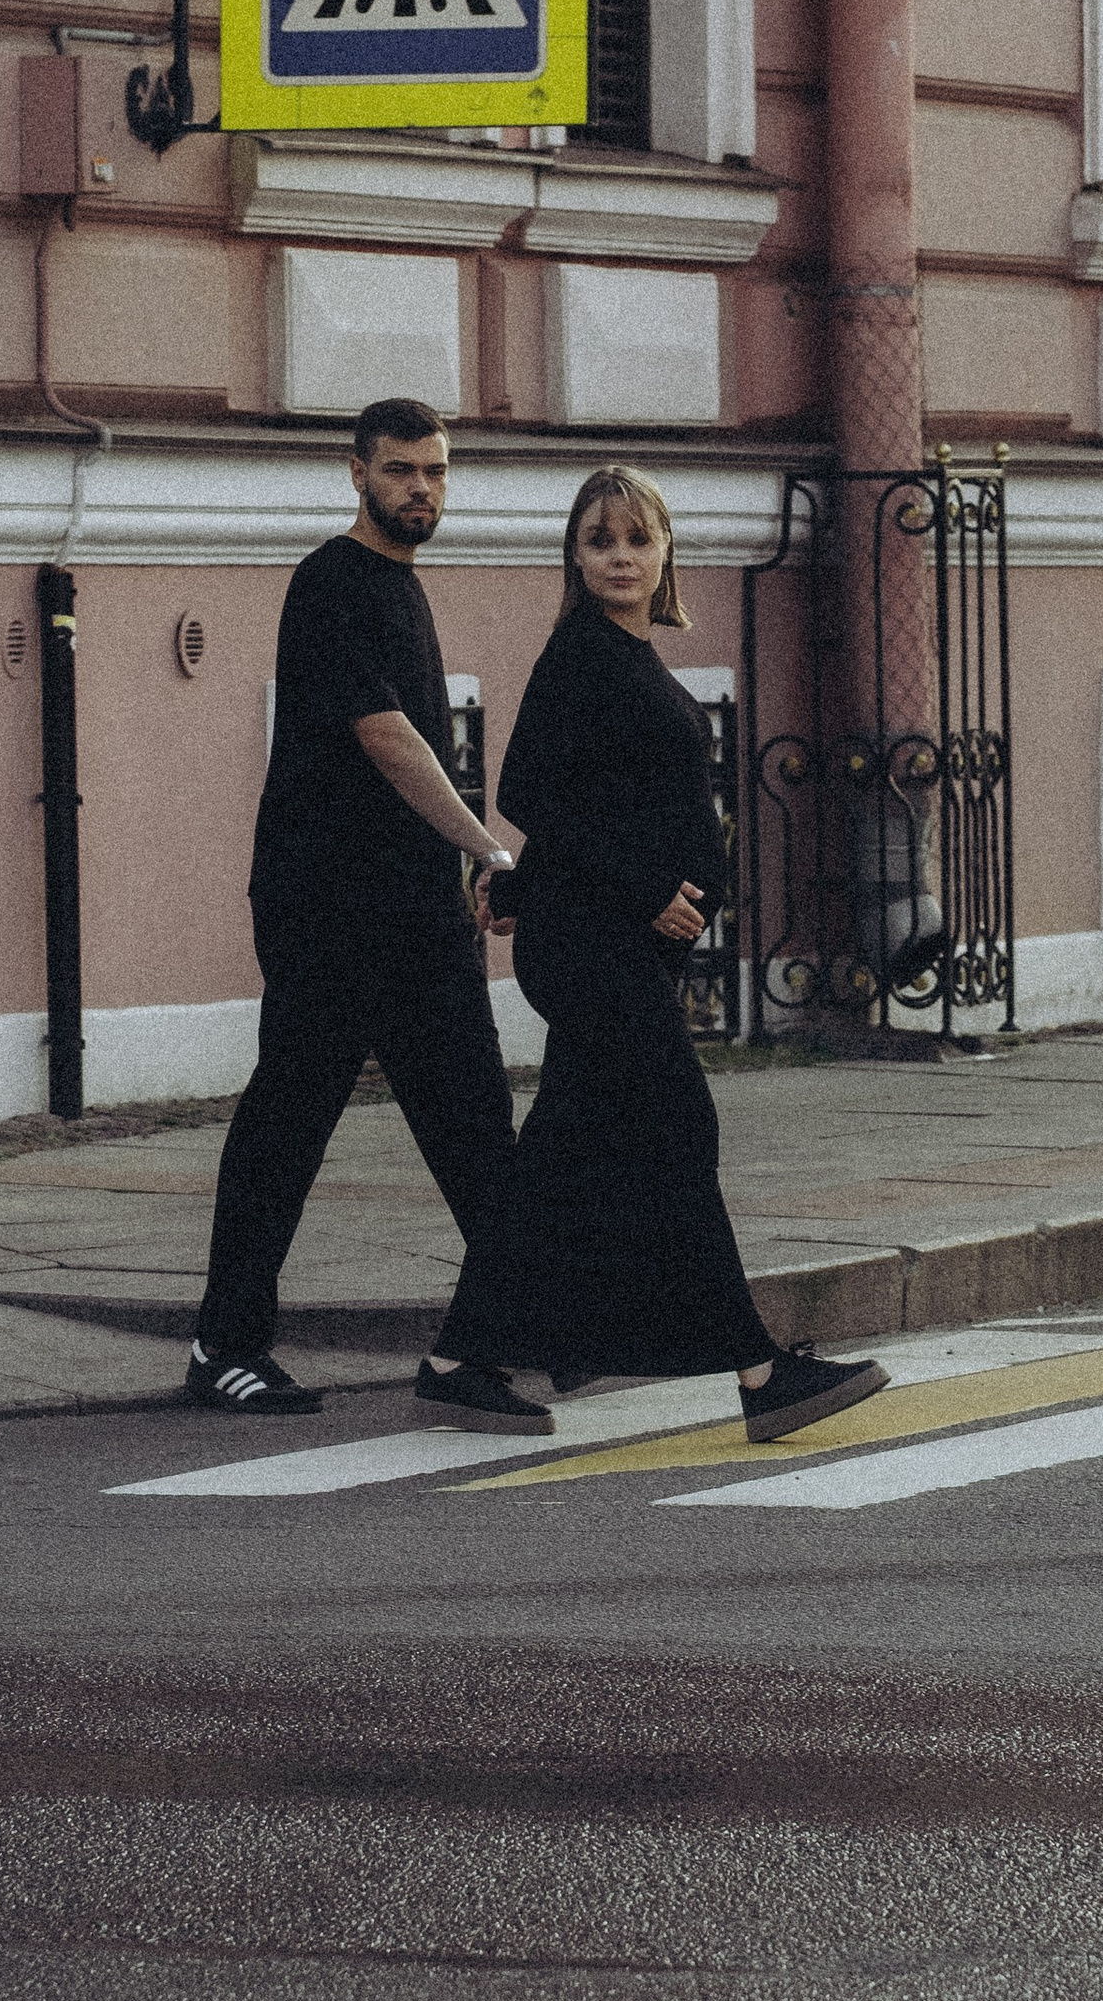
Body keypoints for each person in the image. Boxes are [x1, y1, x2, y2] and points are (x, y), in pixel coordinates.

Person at [431, 465, 892, 1445]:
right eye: (600, 540)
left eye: (637, 539)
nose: (620, 558)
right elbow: (528, 792)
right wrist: (643, 888)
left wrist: (533, 886)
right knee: (680, 1132)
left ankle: (461, 1359)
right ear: (574, 556)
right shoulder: (580, 655)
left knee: (562, 1156)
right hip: (592, 951)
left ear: (665, 548)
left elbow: (591, 803)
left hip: (612, 945)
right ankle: (761, 1371)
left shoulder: (632, 658)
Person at [180, 397, 533, 1421]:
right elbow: (387, 738)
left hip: (415, 911)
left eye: (435, 471)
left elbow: (413, 751)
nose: (420, 488)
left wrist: (456, 868)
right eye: (400, 470)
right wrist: (488, 846)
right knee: (288, 1124)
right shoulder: (331, 581)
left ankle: (492, 1342)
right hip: (326, 908)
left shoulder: (403, 588)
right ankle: (224, 1347)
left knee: (474, 1125)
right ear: (356, 474)